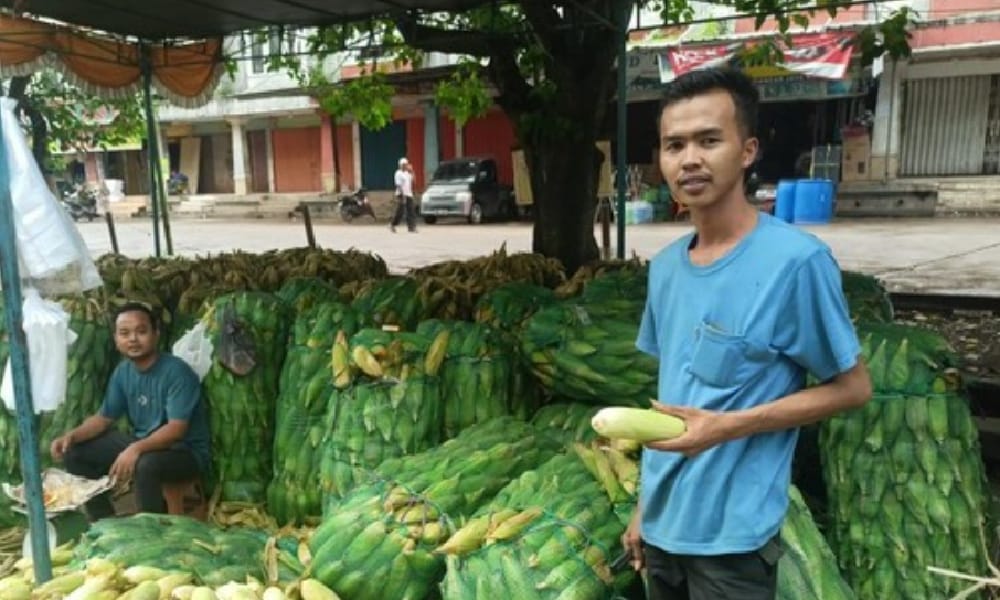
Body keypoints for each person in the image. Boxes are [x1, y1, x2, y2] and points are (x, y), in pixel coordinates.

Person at [622, 67, 872, 599]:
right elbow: (674, 401)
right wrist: (645, 509)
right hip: (663, 529)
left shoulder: (796, 263)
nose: (690, 158)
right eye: (674, 145)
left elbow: (853, 389)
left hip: (731, 542)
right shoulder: (664, 268)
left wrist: (726, 427)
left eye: (709, 140)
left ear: (747, 150)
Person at [50, 303, 211, 518]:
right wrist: (72, 436)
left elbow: (176, 429)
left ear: (156, 334)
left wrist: (135, 449)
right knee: (76, 453)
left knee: (146, 465)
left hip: (183, 452)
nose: (133, 339)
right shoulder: (123, 372)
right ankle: (104, 522)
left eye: (141, 331)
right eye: (125, 333)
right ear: (116, 340)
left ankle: (151, 531)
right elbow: (104, 418)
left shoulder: (177, 372)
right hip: (143, 444)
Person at [390, 157, 417, 233]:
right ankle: (392, 224)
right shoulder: (398, 173)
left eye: (406, 164)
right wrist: (403, 196)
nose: (405, 166)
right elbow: (398, 185)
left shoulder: (407, 173)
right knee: (400, 211)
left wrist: (412, 171)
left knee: (411, 211)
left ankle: (411, 227)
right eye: (403, 165)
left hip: (409, 194)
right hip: (401, 194)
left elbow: (414, 181)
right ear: (400, 165)